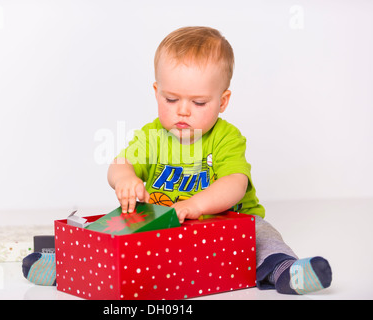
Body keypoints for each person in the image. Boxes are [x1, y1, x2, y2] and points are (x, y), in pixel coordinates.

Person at [107, 26, 332, 295]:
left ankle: (286, 270)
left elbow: (234, 183)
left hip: (228, 226)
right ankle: (68, 265)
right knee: (122, 233)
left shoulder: (226, 138)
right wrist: (126, 179)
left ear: (222, 101)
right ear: (157, 92)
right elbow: (120, 163)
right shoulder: (151, 136)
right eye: (170, 99)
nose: (183, 111)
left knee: (262, 236)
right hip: (171, 228)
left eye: (199, 103)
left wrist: (195, 205)